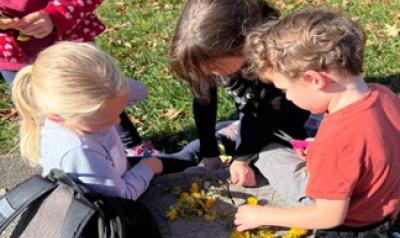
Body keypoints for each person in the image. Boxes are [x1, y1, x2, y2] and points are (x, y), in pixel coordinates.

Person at [234, 8, 400, 236]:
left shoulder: (337, 140)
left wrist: (262, 215)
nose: (288, 97)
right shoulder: (385, 95)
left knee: (271, 156)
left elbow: (327, 215)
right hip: (385, 214)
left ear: (313, 79)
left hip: (353, 229)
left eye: (285, 89)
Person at [11, 42, 196, 200]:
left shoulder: (78, 116)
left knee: (181, 160)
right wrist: (146, 169)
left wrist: (109, 82)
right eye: (105, 120)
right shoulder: (80, 152)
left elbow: (141, 91)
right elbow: (123, 197)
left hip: (120, 169)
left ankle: (215, 139)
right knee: (180, 162)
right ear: (57, 117)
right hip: (117, 204)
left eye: (119, 112)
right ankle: (213, 141)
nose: (117, 122)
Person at [170, 0, 310, 187]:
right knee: (215, 138)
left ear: (242, 42)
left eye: (214, 68)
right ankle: (180, 158)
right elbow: (204, 103)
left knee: (272, 158)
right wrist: (209, 151)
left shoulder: (274, 63)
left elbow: (270, 115)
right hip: (250, 120)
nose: (211, 75)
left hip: (287, 125)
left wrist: (242, 158)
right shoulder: (206, 56)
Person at [0, 0, 143, 154]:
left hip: (67, 42)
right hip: (13, 55)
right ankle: (71, 157)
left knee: (96, 99)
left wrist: (55, 15)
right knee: (44, 114)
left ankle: (129, 148)